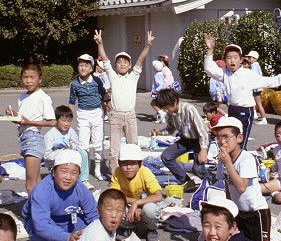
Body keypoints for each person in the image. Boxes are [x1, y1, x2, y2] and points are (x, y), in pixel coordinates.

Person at [214, 115, 281, 241]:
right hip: (240, 212)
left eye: (226, 137)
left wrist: (227, 163)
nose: (222, 142)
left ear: (239, 138)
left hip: (256, 212)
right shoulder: (223, 160)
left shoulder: (246, 158)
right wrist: (228, 208)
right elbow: (226, 184)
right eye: (218, 138)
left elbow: (241, 187)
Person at [204, 34, 281, 150]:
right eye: (229, 58)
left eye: (235, 57)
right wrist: (210, 50)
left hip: (245, 112)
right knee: (231, 144)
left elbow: (272, 82)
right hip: (232, 110)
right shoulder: (225, 73)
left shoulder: (249, 74)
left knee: (240, 144)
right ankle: (231, 166)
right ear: (225, 60)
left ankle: (241, 166)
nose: (232, 60)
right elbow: (209, 69)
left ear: (241, 60)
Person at [22, 149, 98, 241]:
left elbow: (93, 216)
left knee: (88, 232)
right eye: (63, 171)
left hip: (67, 219)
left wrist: (102, 236)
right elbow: (41, 225)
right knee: (39, 233)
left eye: (74, 173)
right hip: (39, 221)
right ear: (53, 172)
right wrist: (67, 237)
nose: (68, 177)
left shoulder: (80, 188)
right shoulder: (42, 190)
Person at [93, 28, 154, 172]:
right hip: (116, 116)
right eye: (119, 62)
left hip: (130, 115)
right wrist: (100, 44)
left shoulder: (134, 76)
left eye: (125, 62)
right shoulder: (112, 76)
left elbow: (140, 59)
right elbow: (105, 59)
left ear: (130, 65)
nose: (122, 64)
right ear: (115, 65)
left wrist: (147, 45)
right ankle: (115, 175)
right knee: (114, 149)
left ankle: (137, 173)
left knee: (133, 146)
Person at [5, 62, 55, 195]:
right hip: (24, 138)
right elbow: (21, 122)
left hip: (34, 138)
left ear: (40, 79)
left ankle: (34, 214)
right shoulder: (22, 97)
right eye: (25, 77)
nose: (28, 81)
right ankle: (41, 212)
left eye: (32, 77)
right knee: (36, 182)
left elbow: (52, 122)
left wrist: (29, 121)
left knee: (30, 184)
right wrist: (12, 116)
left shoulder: (43, 97)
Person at [110, 141, 167, 241]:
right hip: (128, 206)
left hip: (143, 206)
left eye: (132, 163)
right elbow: (114, 194)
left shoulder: (145, 172)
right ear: (119, 163)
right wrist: (134, 202)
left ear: (140, 163)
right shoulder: (117, 172)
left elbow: (158, 195)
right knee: (112, 204)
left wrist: (137, 204)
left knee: (150, 209)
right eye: (125, 163)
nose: (128, 167)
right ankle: (128, 227)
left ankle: (151, 229)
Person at [153, 87, 211, 186]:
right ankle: (185, 180)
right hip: (186, 139)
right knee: (166, 157)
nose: (166, 110)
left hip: (200, 139)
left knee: (198, 169)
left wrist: (203, 150)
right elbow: (170, 129)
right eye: (164, 108)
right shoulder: (170, 113)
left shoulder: (188, 109)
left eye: (167, 107)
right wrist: (159, 132)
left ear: (175, 102)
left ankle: (211, 183)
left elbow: (203, 131)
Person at [68, 53, 106, 180]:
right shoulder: (74, 84)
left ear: (91, 68)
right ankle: (84, 172)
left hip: (97, 113)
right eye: (80, 65)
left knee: (98, 142)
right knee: (83, 144)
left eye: (86, 65)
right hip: (83, 114)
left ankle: (97, 169)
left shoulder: (97, 81)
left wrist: (109, 104)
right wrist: (68, 118)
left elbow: (104, 95)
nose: (83, 68)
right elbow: (72, 101)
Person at [43, 105, 88, 181]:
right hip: (56, 163)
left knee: (83, 153)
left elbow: (76, 144)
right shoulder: (50, 135)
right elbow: (47, 156)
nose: (66, 124)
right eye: (63, 121)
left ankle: (83, 180)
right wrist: (62, 152)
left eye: (69, 121)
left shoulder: (70, 131)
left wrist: (72, 147)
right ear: (56, 120)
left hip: (70, 159)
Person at [245, 50, 268, 125]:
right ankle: (254, 114)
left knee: (258, 103)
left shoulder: (254, 65)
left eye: (250, 57)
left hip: (256, 88)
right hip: (257, 87)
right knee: (253, 101)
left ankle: (264, 118)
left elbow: (253, 76)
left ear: (255, 58)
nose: (249, 59)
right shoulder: (255, 65)